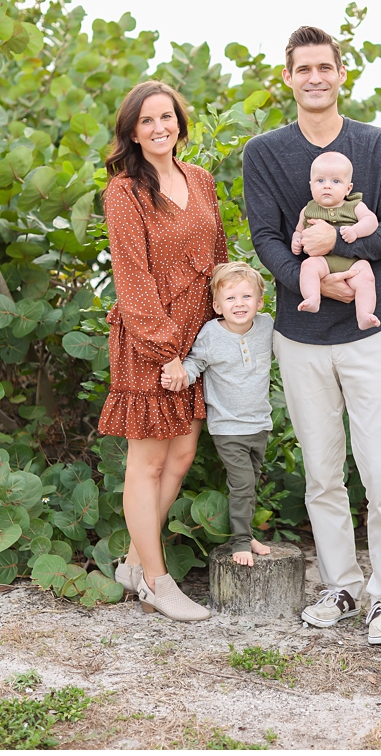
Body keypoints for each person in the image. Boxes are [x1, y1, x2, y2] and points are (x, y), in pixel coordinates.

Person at [243, 25, 381, 645]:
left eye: (325, 67)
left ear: (341, 74)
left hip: (373, 334)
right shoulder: (264, 152)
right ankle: (341, 584)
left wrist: (338, 245)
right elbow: (265, 238)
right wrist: (310, 282)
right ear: (287, 78)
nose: (315, 78)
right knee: (322, 472)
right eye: (303, 68)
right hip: (302, 334)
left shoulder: (378, 145)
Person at [99, 80, 226, 622]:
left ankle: (132, 562)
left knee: (182, 456)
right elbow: (133, 278)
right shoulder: (124, 192)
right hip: (152, 341)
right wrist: (164, 352)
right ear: (132, 130)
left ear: (180, 123)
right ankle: (156, 580)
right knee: (147, 464)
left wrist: (226, 326)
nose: (159, 128)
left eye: (167, 117)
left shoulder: (199, 179)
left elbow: (218, 253)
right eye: (147, 120)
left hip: (198, 341)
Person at [166, 262, 274, 567]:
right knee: (241, 483)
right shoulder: (211, 333)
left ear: (260, 301)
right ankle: (239, 541)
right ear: (217, 305)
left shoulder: (267, 327)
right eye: (230, 299)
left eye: (246, 297)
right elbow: (195, 363)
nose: (239, 304)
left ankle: (246, 532)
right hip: (228, 428)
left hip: (260, 424)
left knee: (250, 484)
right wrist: (180, 377)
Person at [293, 150, 380, 330]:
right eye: (320, 181)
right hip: (323, 262)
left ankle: (364, 314)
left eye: (335, 181)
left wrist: (355, 231)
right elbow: (298, 230)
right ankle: (312, 298)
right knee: (307, 267)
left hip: (352, 263)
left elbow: (371, 221)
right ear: (311, 186)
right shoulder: (308, 209)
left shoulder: (354, 206)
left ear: (348, 188)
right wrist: (297, 240)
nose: (327, 186)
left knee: (366, 277)